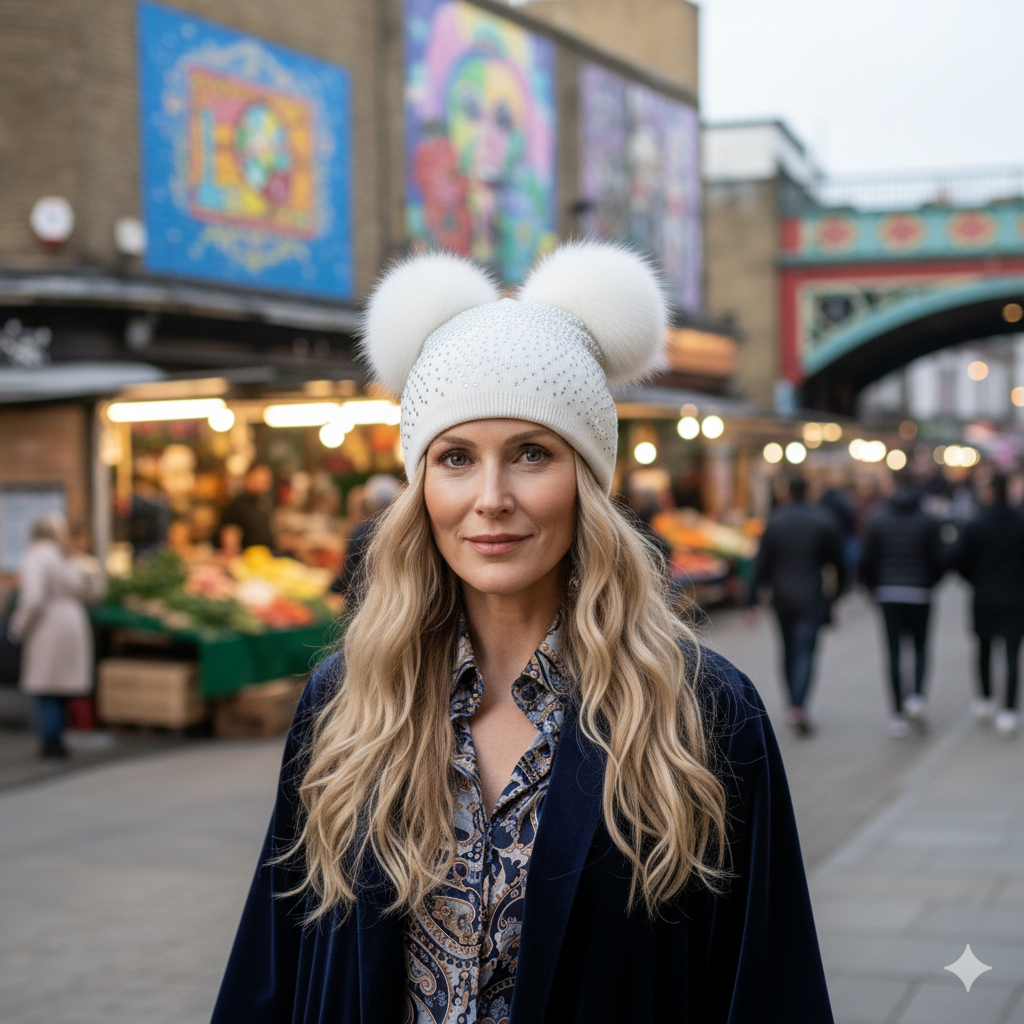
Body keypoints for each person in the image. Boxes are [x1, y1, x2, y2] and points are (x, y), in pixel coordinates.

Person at [212, 244, 833, 1023]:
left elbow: (770, 984)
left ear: (587, 479)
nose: (491, 497)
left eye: (532, 453)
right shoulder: (347, 701)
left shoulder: (703, 712)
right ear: (421, 485)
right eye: (456, 458)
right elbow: (273, 964)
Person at [747, 476, 846, 735]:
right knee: (805, 651)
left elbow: (761, 563)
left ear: (787, 492)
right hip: (811, 595)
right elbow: (838, 561)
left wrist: (752, 600)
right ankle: (798, 705)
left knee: (788, 649)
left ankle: (792, 702)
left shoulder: (775, 521)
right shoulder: (823, 520)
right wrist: (839, 594)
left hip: (781, 597)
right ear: (810, 491)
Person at [8, 515, 104, 758]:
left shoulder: (36, 557)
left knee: (46, 687)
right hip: (73, 620)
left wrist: (18, 627)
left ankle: (51, 740)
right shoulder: (69, 558)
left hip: (47, 626)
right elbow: (93, 591)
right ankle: (58, 736)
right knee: (62, 687)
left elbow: (33, 599)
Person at [859, 472, 945, 736]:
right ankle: (916, 697)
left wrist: (874, 589)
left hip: (889, 593)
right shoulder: (928, 519)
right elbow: (941, 559)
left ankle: (897, 715)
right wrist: (929, 584)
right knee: (920, 648)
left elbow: (866, 561)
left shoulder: (878, 518)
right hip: (920, 593)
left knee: (893, 653)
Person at [956, 473, 1024, 737]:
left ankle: (984, 699)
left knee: (983, 649)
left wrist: (975, 580)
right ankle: (1008, 709)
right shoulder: (1020, 523)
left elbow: (960, 562)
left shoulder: (976, 525)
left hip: (984, 596)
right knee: (1011, 654)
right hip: (1016, 598)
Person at [329, 474, 401, 610]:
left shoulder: (362, 531)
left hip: (363, 606)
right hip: (396, 606)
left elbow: (349, 573)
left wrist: (332, 588)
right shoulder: (406, 530)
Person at [221, 463, 276, 551]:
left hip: (269, 554)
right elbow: (230, 532)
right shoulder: (237, 504)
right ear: (248, 478)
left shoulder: (266, 500)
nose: (263, 483)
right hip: (248, 556)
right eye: (258, 479)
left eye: (266, 480)